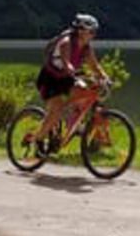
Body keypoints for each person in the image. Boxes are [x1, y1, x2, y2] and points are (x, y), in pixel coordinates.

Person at [35, 13, 107, 153]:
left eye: (95, 32)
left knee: (86, 92)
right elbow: (66, 63)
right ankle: (39, 139)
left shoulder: (86, 47)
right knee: (56, 110)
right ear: (81, 31)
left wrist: (104, 77)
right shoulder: (66, 42)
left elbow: (95, 66)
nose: (93, 35)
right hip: (50, 78)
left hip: (66, 78)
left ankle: (72, 123)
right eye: (91, 32)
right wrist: (75, 74)